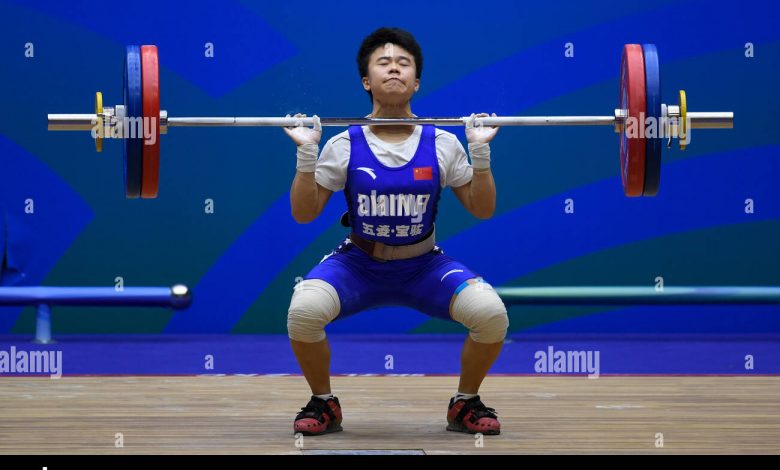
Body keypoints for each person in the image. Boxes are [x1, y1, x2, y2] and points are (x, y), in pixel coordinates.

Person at [283, 27, 509, 436]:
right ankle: (324, 403)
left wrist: (480, 151)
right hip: (358, 264)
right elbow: (304, 213)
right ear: (366, 81)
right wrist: (305, 153)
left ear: (416, 81)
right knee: (303, 313)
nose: (394, 69)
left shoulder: (442, 142)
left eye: (404, 63)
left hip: (423, 265)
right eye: (383, 63)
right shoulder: (343, 144)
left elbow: (483, 208)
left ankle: (465, 403)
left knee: (491, 315)